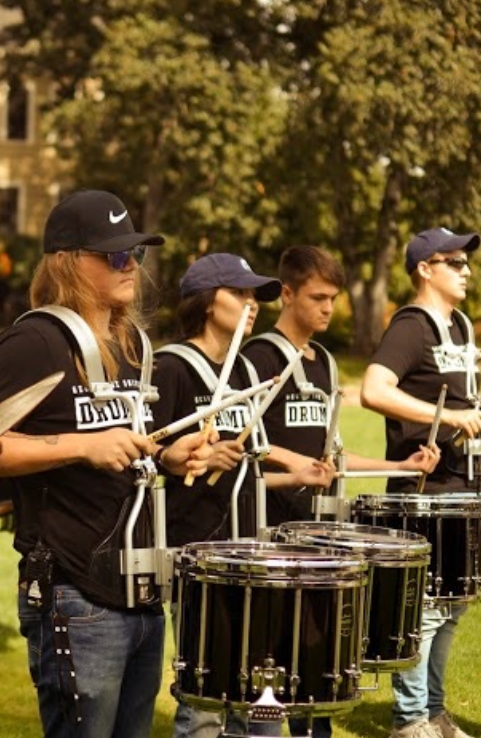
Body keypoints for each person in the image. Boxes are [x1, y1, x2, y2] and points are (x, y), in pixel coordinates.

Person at [0, 189, 214, 738]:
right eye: (116, 255)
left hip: (141, 594)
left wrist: (169, 456)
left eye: (136, 255)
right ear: (68, 261)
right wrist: (82, 445)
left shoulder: (133, 345)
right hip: (74, 595)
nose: (132, 266)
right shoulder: (34, 341)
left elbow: (130, 445)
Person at [242, 245, 439, 738]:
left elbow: (335, 455)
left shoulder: (326, 364)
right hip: (266, 534)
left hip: (318, 540)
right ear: (286, 294)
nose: (328, 308)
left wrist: (399, 463)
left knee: (316, 668)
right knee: (269, 666)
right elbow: (240, 444)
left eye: (333, 298)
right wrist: (291, 462)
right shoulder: (259, 357)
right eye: (317, 297)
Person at [360, 228, 481, 738]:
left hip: (464, 485)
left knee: (451, 607)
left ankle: (433, 710)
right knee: (426, 609)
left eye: (465, 261)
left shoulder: (461, 327)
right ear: (424, 269)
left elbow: (458, 407)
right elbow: (373, 389)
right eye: (454, 261)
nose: (466, 269)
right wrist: (455, 422)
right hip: (424, 492)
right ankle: (409, 721)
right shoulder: (411, 327)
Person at [153, 253, 329, 738]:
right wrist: (189, 459)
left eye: (256, 296)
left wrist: (295, 475)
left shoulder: (247, 376)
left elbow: (246, 476)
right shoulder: (171, 368)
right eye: (241, 294)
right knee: (207, 700)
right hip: (199, 556)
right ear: (208, 303)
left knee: (259, 696)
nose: (253, 305)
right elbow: (145, 461)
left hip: (251, 552)